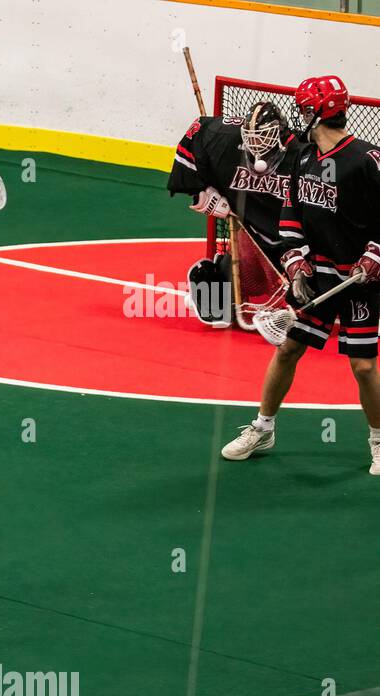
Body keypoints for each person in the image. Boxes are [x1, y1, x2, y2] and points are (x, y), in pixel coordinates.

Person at [221, 76, 380, 474]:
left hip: (361, 279)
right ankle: (263, 428)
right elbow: (290, 216)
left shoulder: (365, 159)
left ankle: (379, 440)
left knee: (362, 365)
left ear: (318, 112)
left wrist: (374, 254)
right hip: (320, 276)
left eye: (305, 109)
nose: (301, 116)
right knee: (289, 348)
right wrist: (295, 265)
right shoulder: (304, 158)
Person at [168, 102, 300, 324]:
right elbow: (198, 130)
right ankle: (215, 290)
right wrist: (203, 193)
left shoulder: (300, 152)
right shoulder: (223, 136)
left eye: (263, 137)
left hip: (289, 235)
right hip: (252, 229)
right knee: (249, 269)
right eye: (252, 137)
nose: (256, 144)